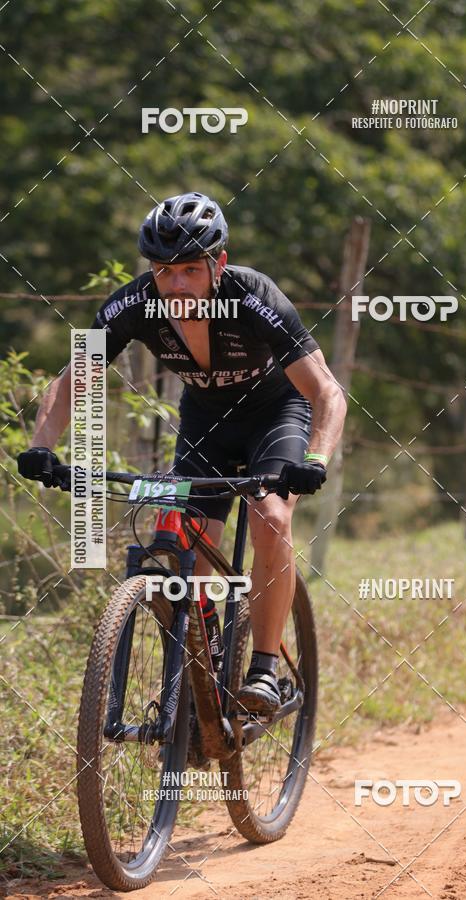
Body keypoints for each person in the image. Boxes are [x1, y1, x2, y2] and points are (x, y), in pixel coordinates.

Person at [17, 191, 347, 716]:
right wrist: (41, 448)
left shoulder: (253, 295)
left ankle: (263, 669)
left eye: (190, 270)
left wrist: (316, 460)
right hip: (206, 422)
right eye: (164, 270)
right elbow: (71, 379)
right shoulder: (135, 305)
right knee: (182, 541)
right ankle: (203, 670)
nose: (175, 284)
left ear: (217, 263)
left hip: (276, 414)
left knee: (270, 516)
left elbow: (326, 391)